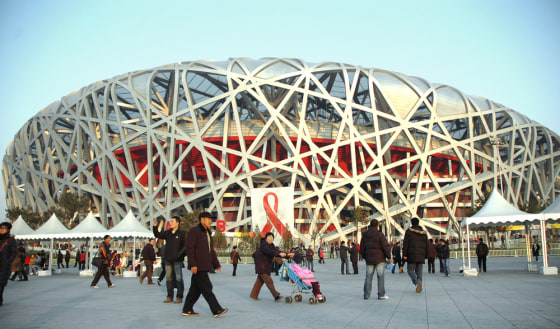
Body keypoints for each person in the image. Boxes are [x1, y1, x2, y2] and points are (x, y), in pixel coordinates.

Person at [183, 212, 228, 318]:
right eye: (208, 219)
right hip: (198, 266)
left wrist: (216, 264)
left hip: (204, 265)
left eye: (211, 219)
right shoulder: (195, 231)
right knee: (207, 287)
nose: (210, 221)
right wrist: (193, 264)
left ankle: (187, 309)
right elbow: (190, 249)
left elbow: (210, 251)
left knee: (196, 289)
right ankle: (216, 310)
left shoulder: (207, 232)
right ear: (202, 219)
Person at [250, 232, 293, 302]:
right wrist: (278, 253)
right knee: (269, 281)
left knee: (260, 281)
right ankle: (276, 296)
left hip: (265, 267)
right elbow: (270, 251)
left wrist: (287, 254)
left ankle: (253, 295)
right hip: (262, 266)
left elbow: (276, 251)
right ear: (266, 238)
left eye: (272, 237)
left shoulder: (271, 246)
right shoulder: (264, 245)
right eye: (269, 237)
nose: (271, 239)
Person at [153, 216, 186, 304]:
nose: (170, 223)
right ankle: (170, 296)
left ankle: (179, 296)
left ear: (177, 223)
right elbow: (158, 235)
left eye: (172, 221)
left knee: (179, 278)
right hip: (168, 260)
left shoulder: (181, 234)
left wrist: (179, 255)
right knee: (169, 279)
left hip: (177, 260)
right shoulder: (168, 233)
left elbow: (185, 246)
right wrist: (155, 227)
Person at [360, 219, 391, 300]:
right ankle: (381, 294)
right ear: (377, 226)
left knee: (368, 277)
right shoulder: (380, 234)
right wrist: (389, 257)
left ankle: (366, 295)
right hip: (380, 259)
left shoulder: (365, 234)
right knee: (380, 277)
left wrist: (365, 256)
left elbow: (362, 248)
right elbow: (385, 247)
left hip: (369, 260)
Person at [402, 217, 428, 293]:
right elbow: (427, 244)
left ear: (411, 223)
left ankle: (416, 283)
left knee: (410, 270)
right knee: (419, 272)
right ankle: (420, 287)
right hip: (421, 255)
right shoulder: (424, 233)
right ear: (418, 223)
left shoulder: (409, 232)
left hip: (411, 255)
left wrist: (404, 254)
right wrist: (426, 255)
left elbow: (405, 244)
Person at [0, 222, 18, 306]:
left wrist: (8, 261)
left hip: (4, 266)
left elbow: (14, 253)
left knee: (1, 283)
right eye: (1, 227)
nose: (2, 229)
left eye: (4, 228)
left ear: (8, 229)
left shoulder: (10, 240)